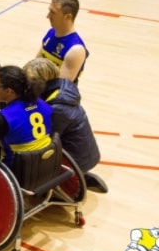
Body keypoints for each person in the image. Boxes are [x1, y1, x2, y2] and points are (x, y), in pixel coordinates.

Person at [22, 57, 107, 193]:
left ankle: (69, 182)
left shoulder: (57, 108)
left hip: (74, 160)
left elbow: (42, 139)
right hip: (83, 154)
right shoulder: (61, 88)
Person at [37, 0, 89, 85]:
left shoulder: (75, 49)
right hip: (40, 88)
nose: (48, 16)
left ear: (68, 17)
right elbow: (36, 64)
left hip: (54, 97)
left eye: (53, 13)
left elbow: (60, 88)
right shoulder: (51, 32)